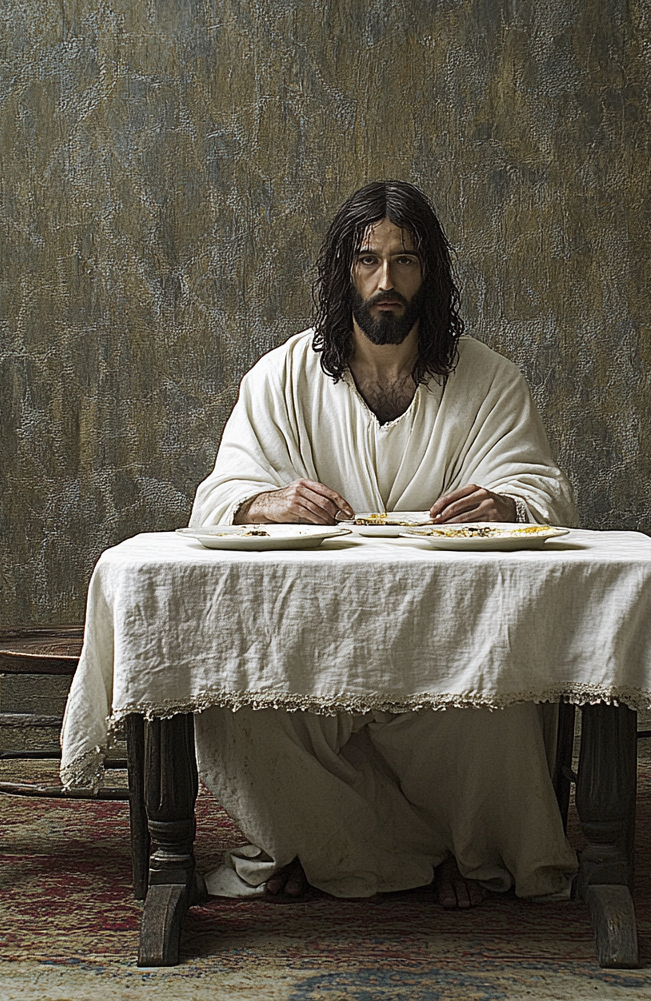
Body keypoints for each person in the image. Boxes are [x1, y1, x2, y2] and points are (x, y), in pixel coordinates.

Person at [190, 181, 578, 909]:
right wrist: (262, 502)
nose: (387, 282)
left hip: (449, 649)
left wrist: (505, 501)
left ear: (431, 272)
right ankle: (387, 853)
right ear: (344, 272)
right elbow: (215, 500)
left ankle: (355, 854)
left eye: (405, 261)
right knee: (230, 708)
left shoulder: (489, 380)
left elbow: (547, 494)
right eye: (367, 261)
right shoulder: (282, 378)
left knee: (499, 709)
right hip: (307, 650)